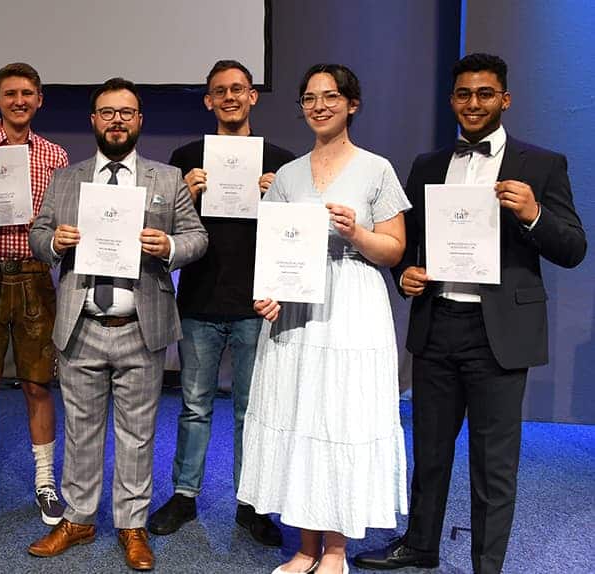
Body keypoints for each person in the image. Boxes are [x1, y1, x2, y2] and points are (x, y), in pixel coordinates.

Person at [353, 53, 586, 574]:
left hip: (499, 333)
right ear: (452, 99)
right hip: (438, 324)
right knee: (430, 452)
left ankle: (487, 565)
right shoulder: (428, 165)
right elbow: (406, 242)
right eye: (463, 94)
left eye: (485, 94)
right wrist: (405, 274)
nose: (473, 103)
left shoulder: (542, 165)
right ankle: (419, 546)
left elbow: (573, 248)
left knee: (493, 463)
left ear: (505, 99)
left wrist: (534, 214)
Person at [27, 77, 208, 571]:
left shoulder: (166, 179)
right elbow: (37, 235)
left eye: (126, 112)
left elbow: (196, 238)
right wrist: (55, 243)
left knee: (137, 433)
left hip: (140, 325)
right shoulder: (67, 178)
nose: (116, 121)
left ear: (139, 120)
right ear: (94, 121)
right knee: (81, 430)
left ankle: (132, 524)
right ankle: (79, 518)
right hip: (82, 323)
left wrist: (168, 247)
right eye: (107, 112)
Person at [236, 64, 410, 574]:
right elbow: (271, 250)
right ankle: (305, 546)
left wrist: (356, 232)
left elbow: (394, 250)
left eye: (330, 96)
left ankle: (334, 551)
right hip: (296, 307)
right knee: (299, 415)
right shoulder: (288, 175)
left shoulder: (377, 169)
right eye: (309, 98)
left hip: (352, 304)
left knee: (340, 415)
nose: (318, 106)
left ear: (351, 104)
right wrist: (266, 294)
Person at [147, 59, 295, 546]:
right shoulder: (187, 154)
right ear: (208, 100)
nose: (230, 97)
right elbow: (162, 231)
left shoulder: (282, 161)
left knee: (252, 410)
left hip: (257, 304)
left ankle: (250, 505)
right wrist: (182, 196)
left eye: (239, 89)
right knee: (193, 407)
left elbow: (296, 237)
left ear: (253, 96)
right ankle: (185, 497)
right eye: (219, 91)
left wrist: (281, 202)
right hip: (199, 301)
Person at [0, 62, 69, 526]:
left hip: (36, 275)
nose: (18, 101)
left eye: (27, 93)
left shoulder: (55, 155)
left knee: (39, 383)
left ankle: (45, 482)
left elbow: (61, 218)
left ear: (39, 99)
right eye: (9, 94)